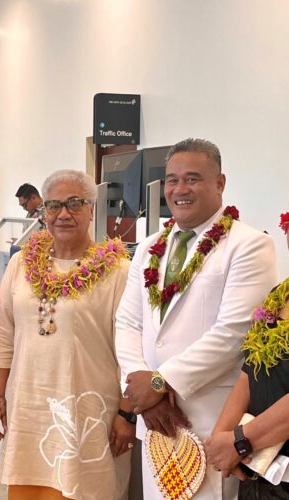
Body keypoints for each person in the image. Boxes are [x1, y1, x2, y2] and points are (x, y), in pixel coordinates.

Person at [115, 138, 277, 499]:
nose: (179, 189)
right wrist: (142, 384)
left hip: (210, 422)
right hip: (155, 421)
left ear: (220, 183)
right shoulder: (148, 246)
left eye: (192, 178)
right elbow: (127, 321)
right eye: (172, 179)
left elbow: (234, 334)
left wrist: (159, 384)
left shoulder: (248, 245)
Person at [0, 169, 133, 500]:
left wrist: (126, 414)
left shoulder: (118, 271)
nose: (63, 214)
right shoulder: (21, 265)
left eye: (75, 203)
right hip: (27, 407)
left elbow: (131, 351)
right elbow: (1, 332)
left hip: (89, 410)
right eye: (54, 205)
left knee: (84, 487)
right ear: (43, 212)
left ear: (92, 209)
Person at [205, 212, 289, 499]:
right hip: (260, 472)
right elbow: (250, 369)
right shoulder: (280, 294)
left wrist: (240, 441)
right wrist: (221, 437)